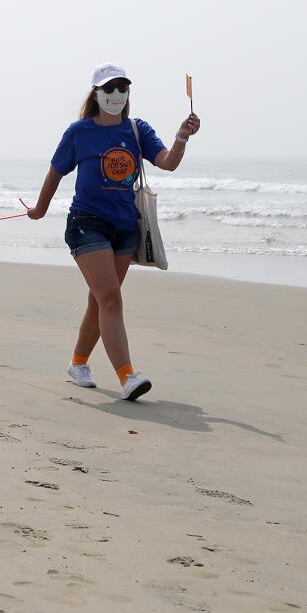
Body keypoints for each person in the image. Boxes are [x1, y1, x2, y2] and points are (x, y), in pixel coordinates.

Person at [25, 63, 202, 401]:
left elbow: (167, 162)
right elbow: (56, 171)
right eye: (109, 89)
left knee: (99, 300)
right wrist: (40, 209)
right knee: (110, 298)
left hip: (125, 228)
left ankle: (78, 364)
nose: (116, 95)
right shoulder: (79, 132)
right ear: (96, 94)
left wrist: (181, 137)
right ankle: (127, 376)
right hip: (86, 224)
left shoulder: (137, 130)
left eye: (122, 89)